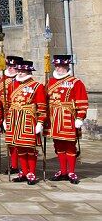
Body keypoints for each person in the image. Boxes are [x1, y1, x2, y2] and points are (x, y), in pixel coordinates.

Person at [45, 55, 89, 184]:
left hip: (68, 117)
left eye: (62, 66)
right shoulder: (50, 82)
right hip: (53, 117)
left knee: (70, 145)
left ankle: (71, 172)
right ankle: (63, 171)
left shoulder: (76, 82)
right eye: (57, 66)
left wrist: (80, 117)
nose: (59, 68)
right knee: (58, 145)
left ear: (67, 67)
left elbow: (82, 101)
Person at [5, 60, 46, 185]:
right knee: (19, 147)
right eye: (20, 70)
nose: (21, 73)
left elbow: (42, 106)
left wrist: (40, 122)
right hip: (14, 118)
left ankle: (31, 172)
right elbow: (8, 104)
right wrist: (6, 119)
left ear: (29, 71)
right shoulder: (12, 84)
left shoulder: (37, 86)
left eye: (23, 71)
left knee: (29, 147)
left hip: (28, 118)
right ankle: (23, 171)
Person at [0, 56, 23, 174]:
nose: (11, 69)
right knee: (10, 141)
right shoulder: (3, 78)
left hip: (20, 114)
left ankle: (23, 165)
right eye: (9, 66)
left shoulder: (22, 81)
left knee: (21, 141)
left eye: (14, 67)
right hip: (5, 113)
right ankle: (13, 165)